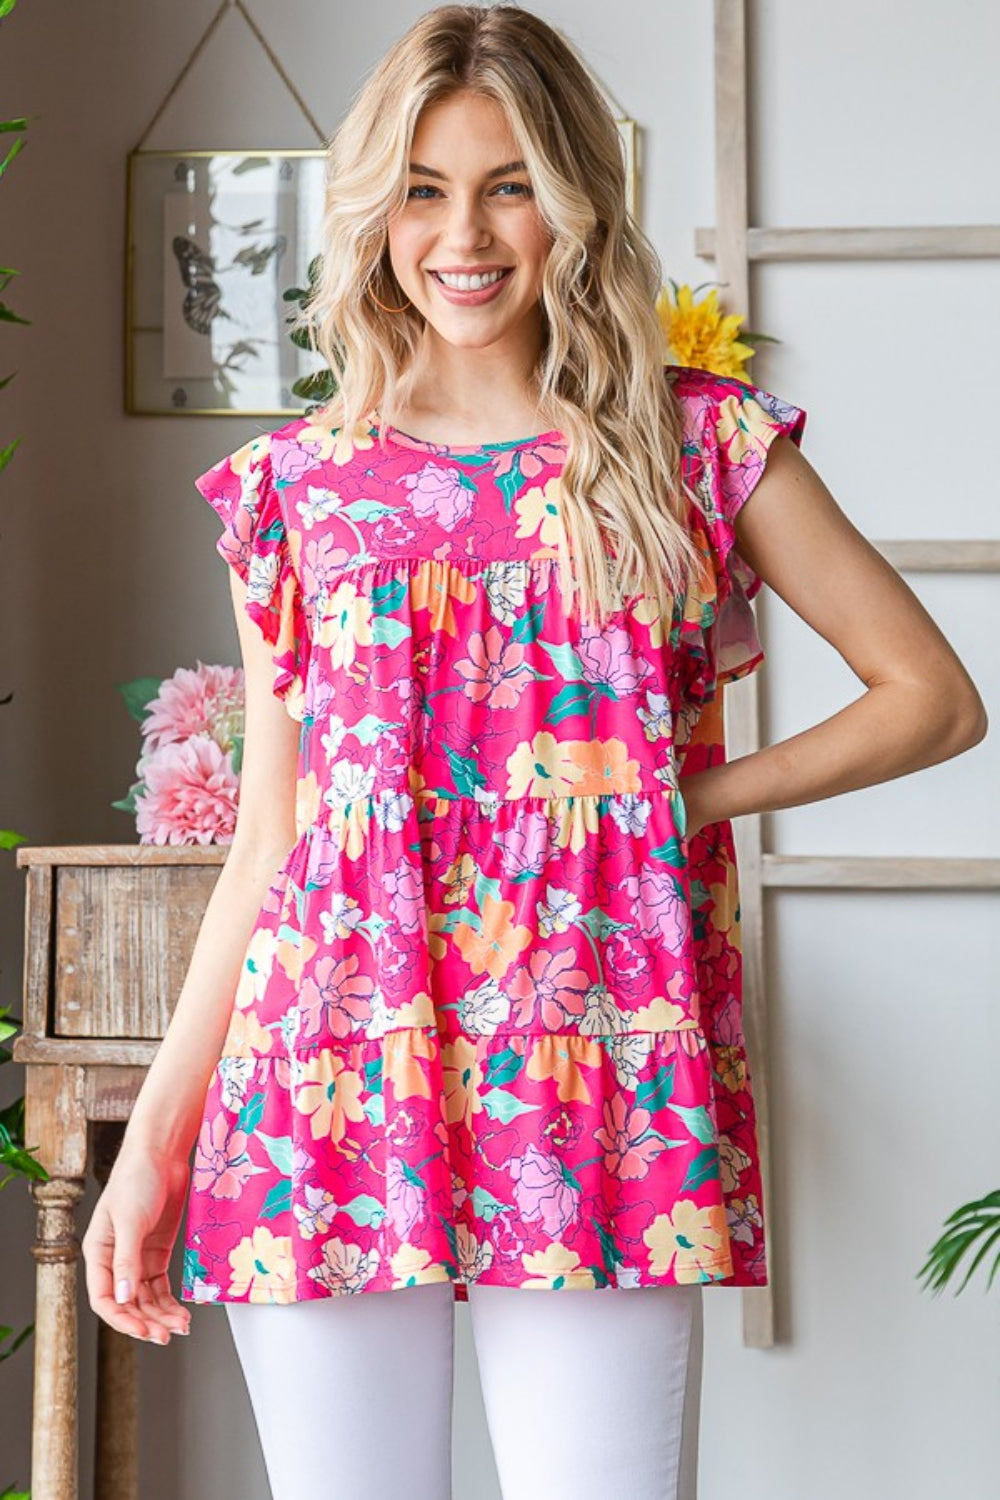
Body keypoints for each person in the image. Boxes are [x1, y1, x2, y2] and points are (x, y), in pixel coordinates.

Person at [81, 5, 988, 1498]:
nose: (466, 235)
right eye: (426, 189)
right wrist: (154, 1145)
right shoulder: (293, 491)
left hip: (604, 1079)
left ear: (573, 199)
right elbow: (272, 845)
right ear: (375, 212)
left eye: (509, 184)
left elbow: (930, 697)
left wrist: (677, 799)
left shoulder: (696, 446)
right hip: (325, 1085)